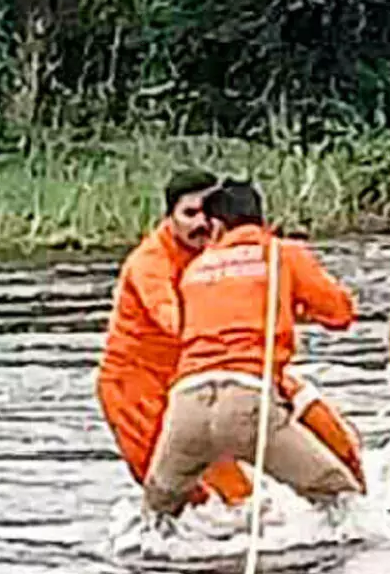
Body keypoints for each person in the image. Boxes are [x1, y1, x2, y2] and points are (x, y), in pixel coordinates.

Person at [142, 180, 366, 518]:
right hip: (248, 402)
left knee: (157, 512)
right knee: (340, 497)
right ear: (262, 219)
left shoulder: (194, 269)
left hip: (185, 404)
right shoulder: (282, 253)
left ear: (217, 225)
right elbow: (340, 314)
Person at [96, 170, 252, 508]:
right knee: (175, 496)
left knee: (237, 496)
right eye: (189, 214)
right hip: (134, 388)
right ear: (170, 217)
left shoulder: (221, 249)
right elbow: (171, 318)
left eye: (207, 213)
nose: (201, 223)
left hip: (187, 382)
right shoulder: (150, 263)